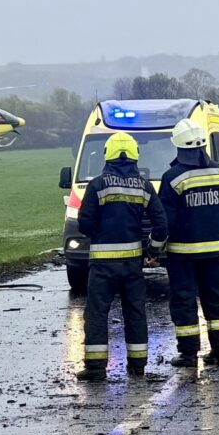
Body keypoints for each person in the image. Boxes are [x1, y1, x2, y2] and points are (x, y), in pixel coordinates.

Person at [75, 132, 168, 381]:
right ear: (135, 156)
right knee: (135, 312)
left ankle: (95, 369)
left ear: (108, 155)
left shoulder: (96, 185)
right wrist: (153, 249)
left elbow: (84, 224)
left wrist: (100, 232)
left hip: (103, 264)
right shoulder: (145, 186)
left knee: (96, 313)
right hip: (132, 264)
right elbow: (161, 223)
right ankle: (137, 366)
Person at [159, 119, 219, 367]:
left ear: (178, 147)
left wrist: (156, 246)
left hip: (182, 254)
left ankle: (189, 354)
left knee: (184, 302)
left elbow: (166, 219)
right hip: (216, 252)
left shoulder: (172, 177)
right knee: (216, 300)